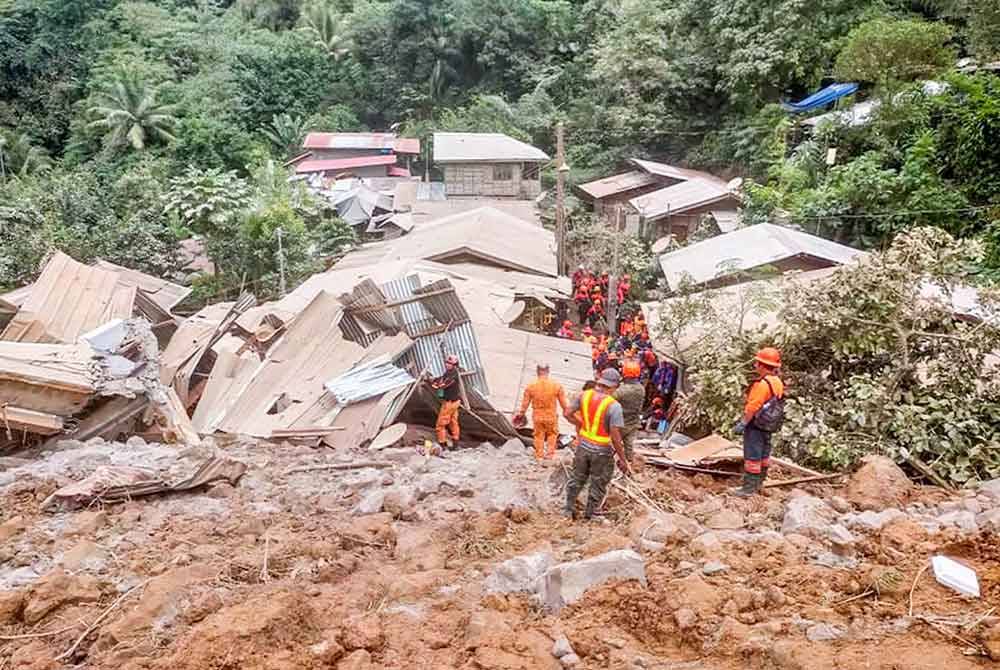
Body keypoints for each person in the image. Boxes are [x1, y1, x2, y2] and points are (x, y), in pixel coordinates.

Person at [563, 368, 630, 520]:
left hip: (583, 445)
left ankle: (568, 509)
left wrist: (581, 423)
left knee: (577, 477)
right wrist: (622, 459)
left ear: (600, 381)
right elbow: (615, 436)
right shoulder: (614, 406)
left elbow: (567, 413)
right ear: (613, 386)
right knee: (598, 481)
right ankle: (591, 513)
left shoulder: (583, 396)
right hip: (602, 451)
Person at [732, 347, 785, 497]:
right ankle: (759, 483)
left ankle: (748, 489)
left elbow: (753, 407)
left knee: (753, 455)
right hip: (770, 424)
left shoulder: (762, 384)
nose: (755, 366)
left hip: (757, 424)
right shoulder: (777, 382)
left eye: (757, 363)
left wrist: (743, 423)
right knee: (764, 454)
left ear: (762, 365)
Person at [514, 363, 569, 460]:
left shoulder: (530, 386)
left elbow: (525, 404)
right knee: (552, 434)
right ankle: (549, 454)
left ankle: (539, 455)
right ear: (548, 371)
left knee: (539, 435)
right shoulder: (556, 386)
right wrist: (567, 413)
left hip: (537, 416)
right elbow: (564, 404)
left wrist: (521, 414)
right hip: (551, 415)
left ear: (537, 371)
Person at [613, 359, 646, 463]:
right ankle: (629, 465)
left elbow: (609, 401)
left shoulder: (622, 391)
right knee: (629, 446)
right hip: (634, 422)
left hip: (620, 423)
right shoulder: (641, 389)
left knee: (611, 444)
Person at [430, 354, 462, 448]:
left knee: (440, 424)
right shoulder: (449, 372)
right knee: (453, 422)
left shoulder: (453, 374)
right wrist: (434, 380)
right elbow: (442, 379)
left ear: (454, 365)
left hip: (450, 403)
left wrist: (435, 384)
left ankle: (442, 444)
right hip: (455, 402)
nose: (447, 364)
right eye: (446, 362)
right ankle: (456, 443)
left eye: (449, 363)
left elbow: (444, 384)